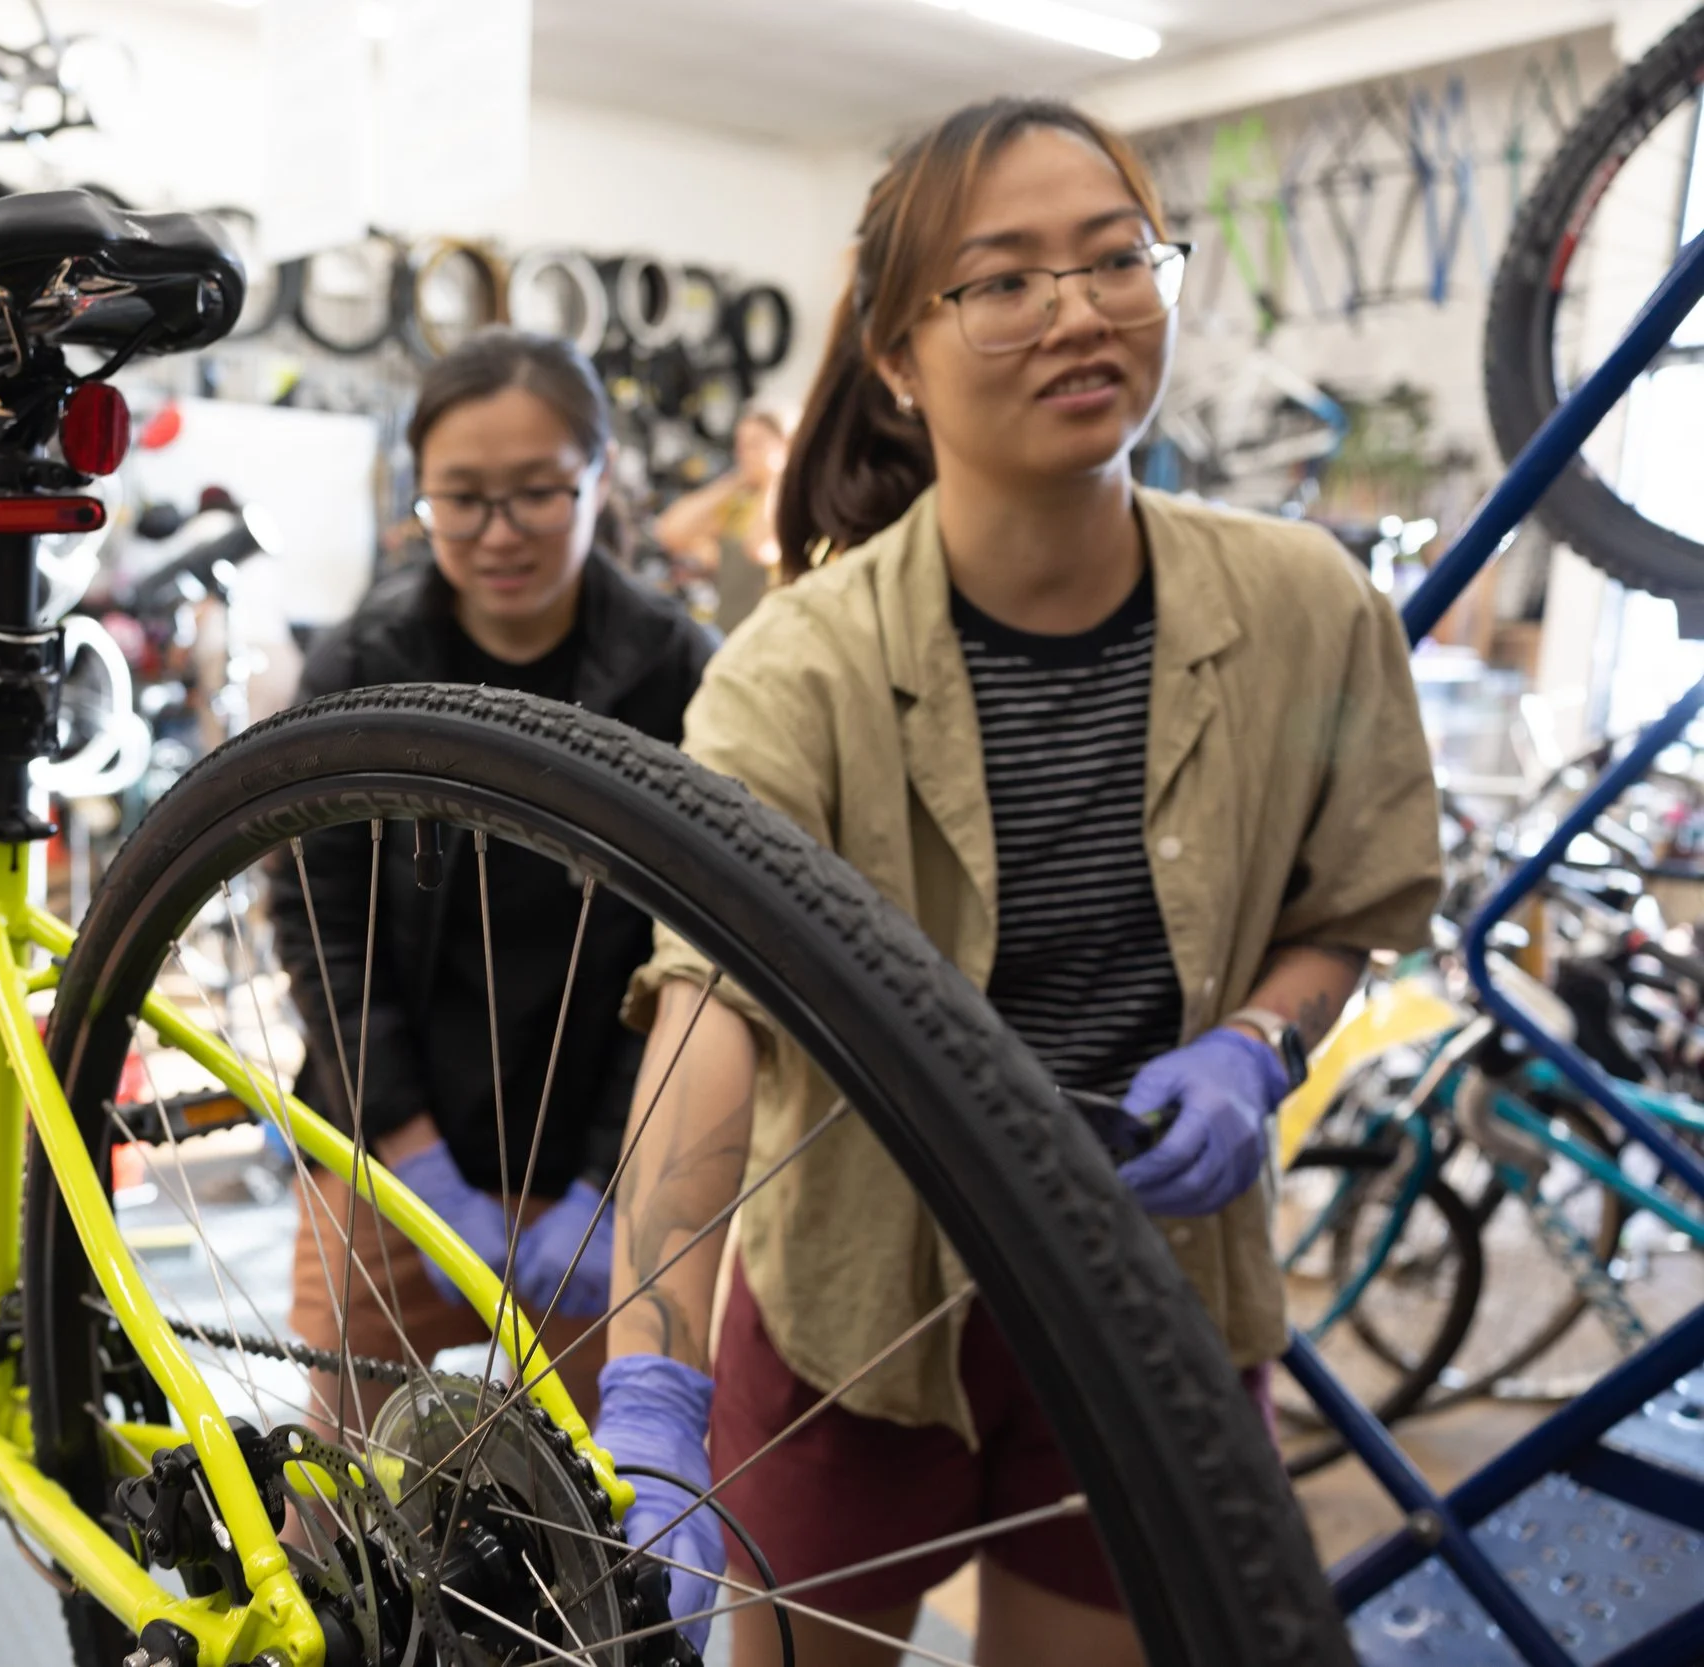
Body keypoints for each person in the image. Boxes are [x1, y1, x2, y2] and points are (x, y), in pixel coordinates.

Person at [592, 99, 1443, 1666]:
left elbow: (1361, 901)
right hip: (853, 1295)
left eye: (1119, 259)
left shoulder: (1309, 607)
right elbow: (712, 993)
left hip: (1143, 1285)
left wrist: (1258, 1044)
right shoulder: (804, 660)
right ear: (899, 358)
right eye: (1003, 279)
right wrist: (654, 1364)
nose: (1078, 311)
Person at [272, 328, 716, 1429]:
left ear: (599, 476)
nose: (497, 533)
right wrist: (415, 1159)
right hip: (390, 1148)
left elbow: (691, 950)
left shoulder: (684, 672)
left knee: (588, 1525)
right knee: (334, 1502)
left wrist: (612, 1181)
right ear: (416, 490)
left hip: (598, 1166)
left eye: (536, 495)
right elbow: (319, 928)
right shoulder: (360, 666)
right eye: (459, 499)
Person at [653, 403, 789, 632]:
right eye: (740, 446)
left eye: (755, 444)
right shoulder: (739, 505)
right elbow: (670, 531)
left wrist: (773, 480)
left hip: (777, 635)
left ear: (785, 443)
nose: (745, 454)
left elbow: (761, 548)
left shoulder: (797, 500)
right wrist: (736, 480)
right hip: (733, 634)